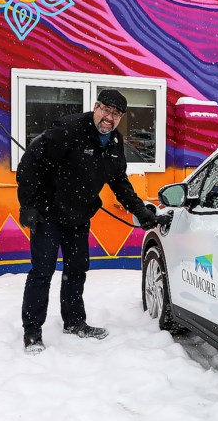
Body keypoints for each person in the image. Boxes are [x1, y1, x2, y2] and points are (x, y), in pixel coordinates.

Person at [16, 89, 170, 354]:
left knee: (77, 271)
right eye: (106, 110)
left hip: (78, 217)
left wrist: (142, 212)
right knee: (42, 273)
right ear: (96, 107)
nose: (109, 118)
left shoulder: (113, 143)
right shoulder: (69, 129)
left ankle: (74, 322)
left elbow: (119, 182)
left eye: (116, 114)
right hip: (48, 214)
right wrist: (28, 205)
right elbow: (31, 161)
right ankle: (32, 332)